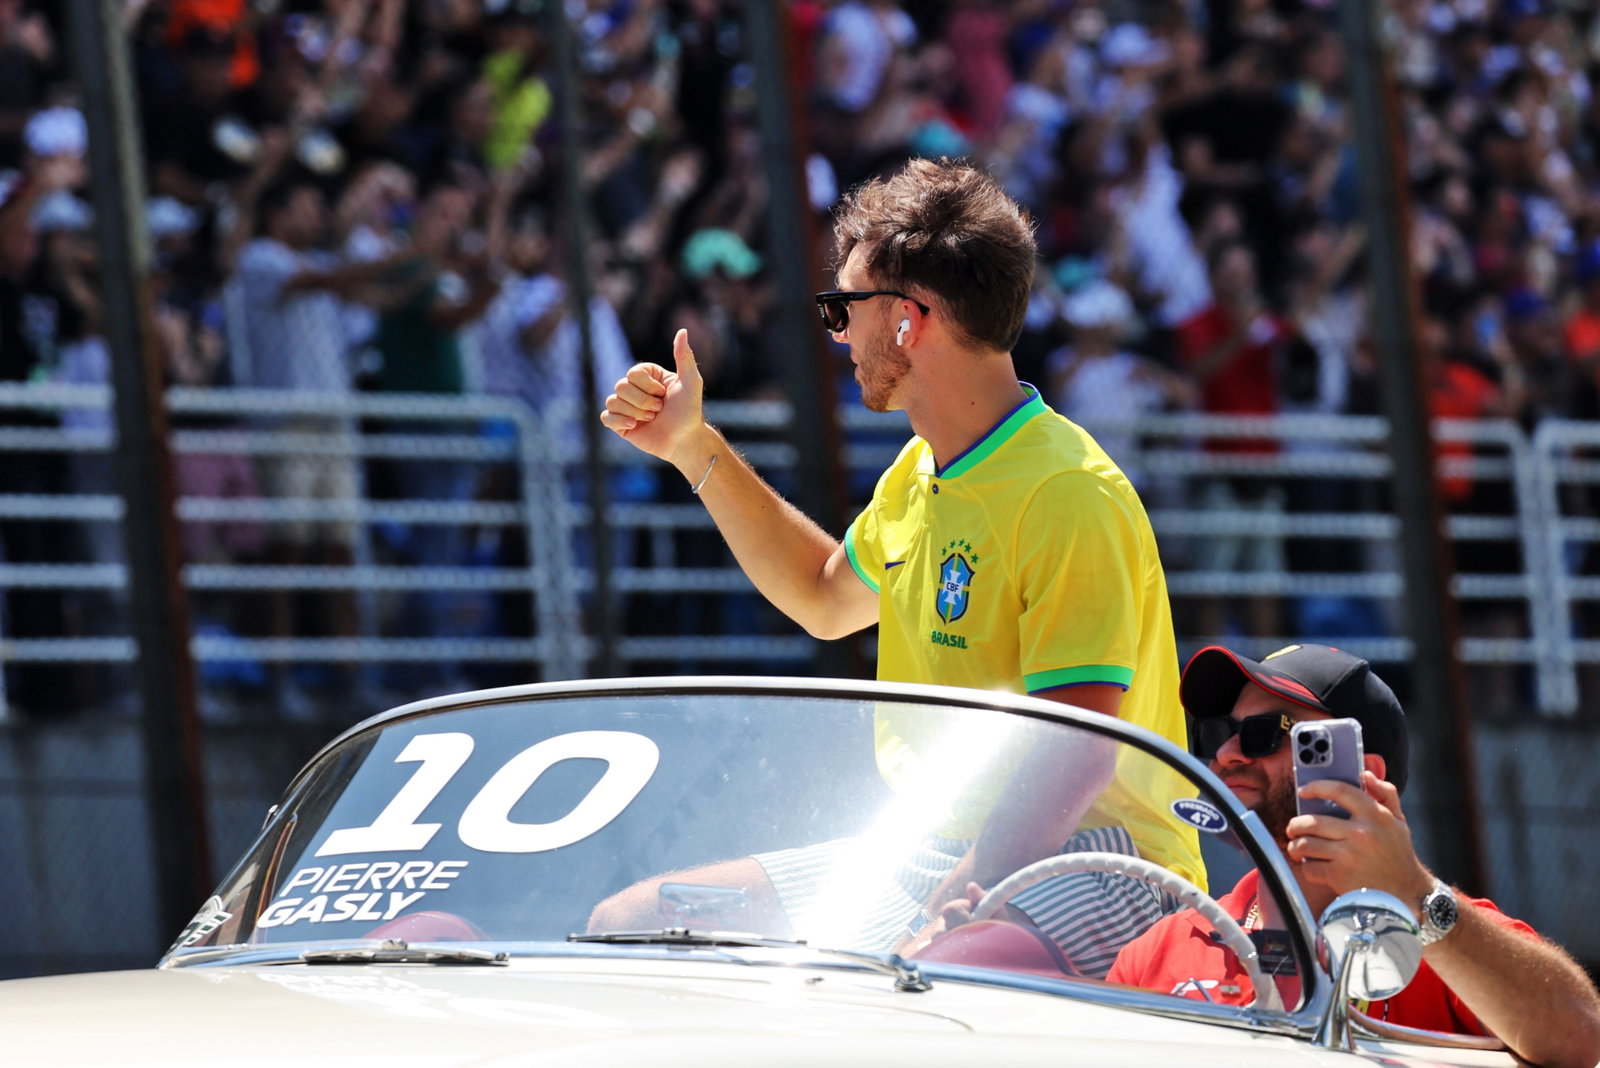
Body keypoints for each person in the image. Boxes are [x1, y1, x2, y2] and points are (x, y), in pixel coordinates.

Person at [593, 158, 1200, 971]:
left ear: (912, 319)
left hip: (1107, 859)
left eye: (844, 309)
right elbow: (822, 596)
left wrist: (963, 900)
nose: (836, 334)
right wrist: (692, 447)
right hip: (949, 845)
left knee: (934, 974)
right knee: (634, 920)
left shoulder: (1065, 491)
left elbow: (1077, 750)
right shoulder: (923, 471)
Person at [1105, 642, 1600, 1068]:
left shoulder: (1453, 942)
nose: (1227, 754)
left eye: (1266, 733)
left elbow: (1580, 1039)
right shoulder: (1156, 952)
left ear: (1363, 772)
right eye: (1218, 732)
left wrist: (1413, 895)